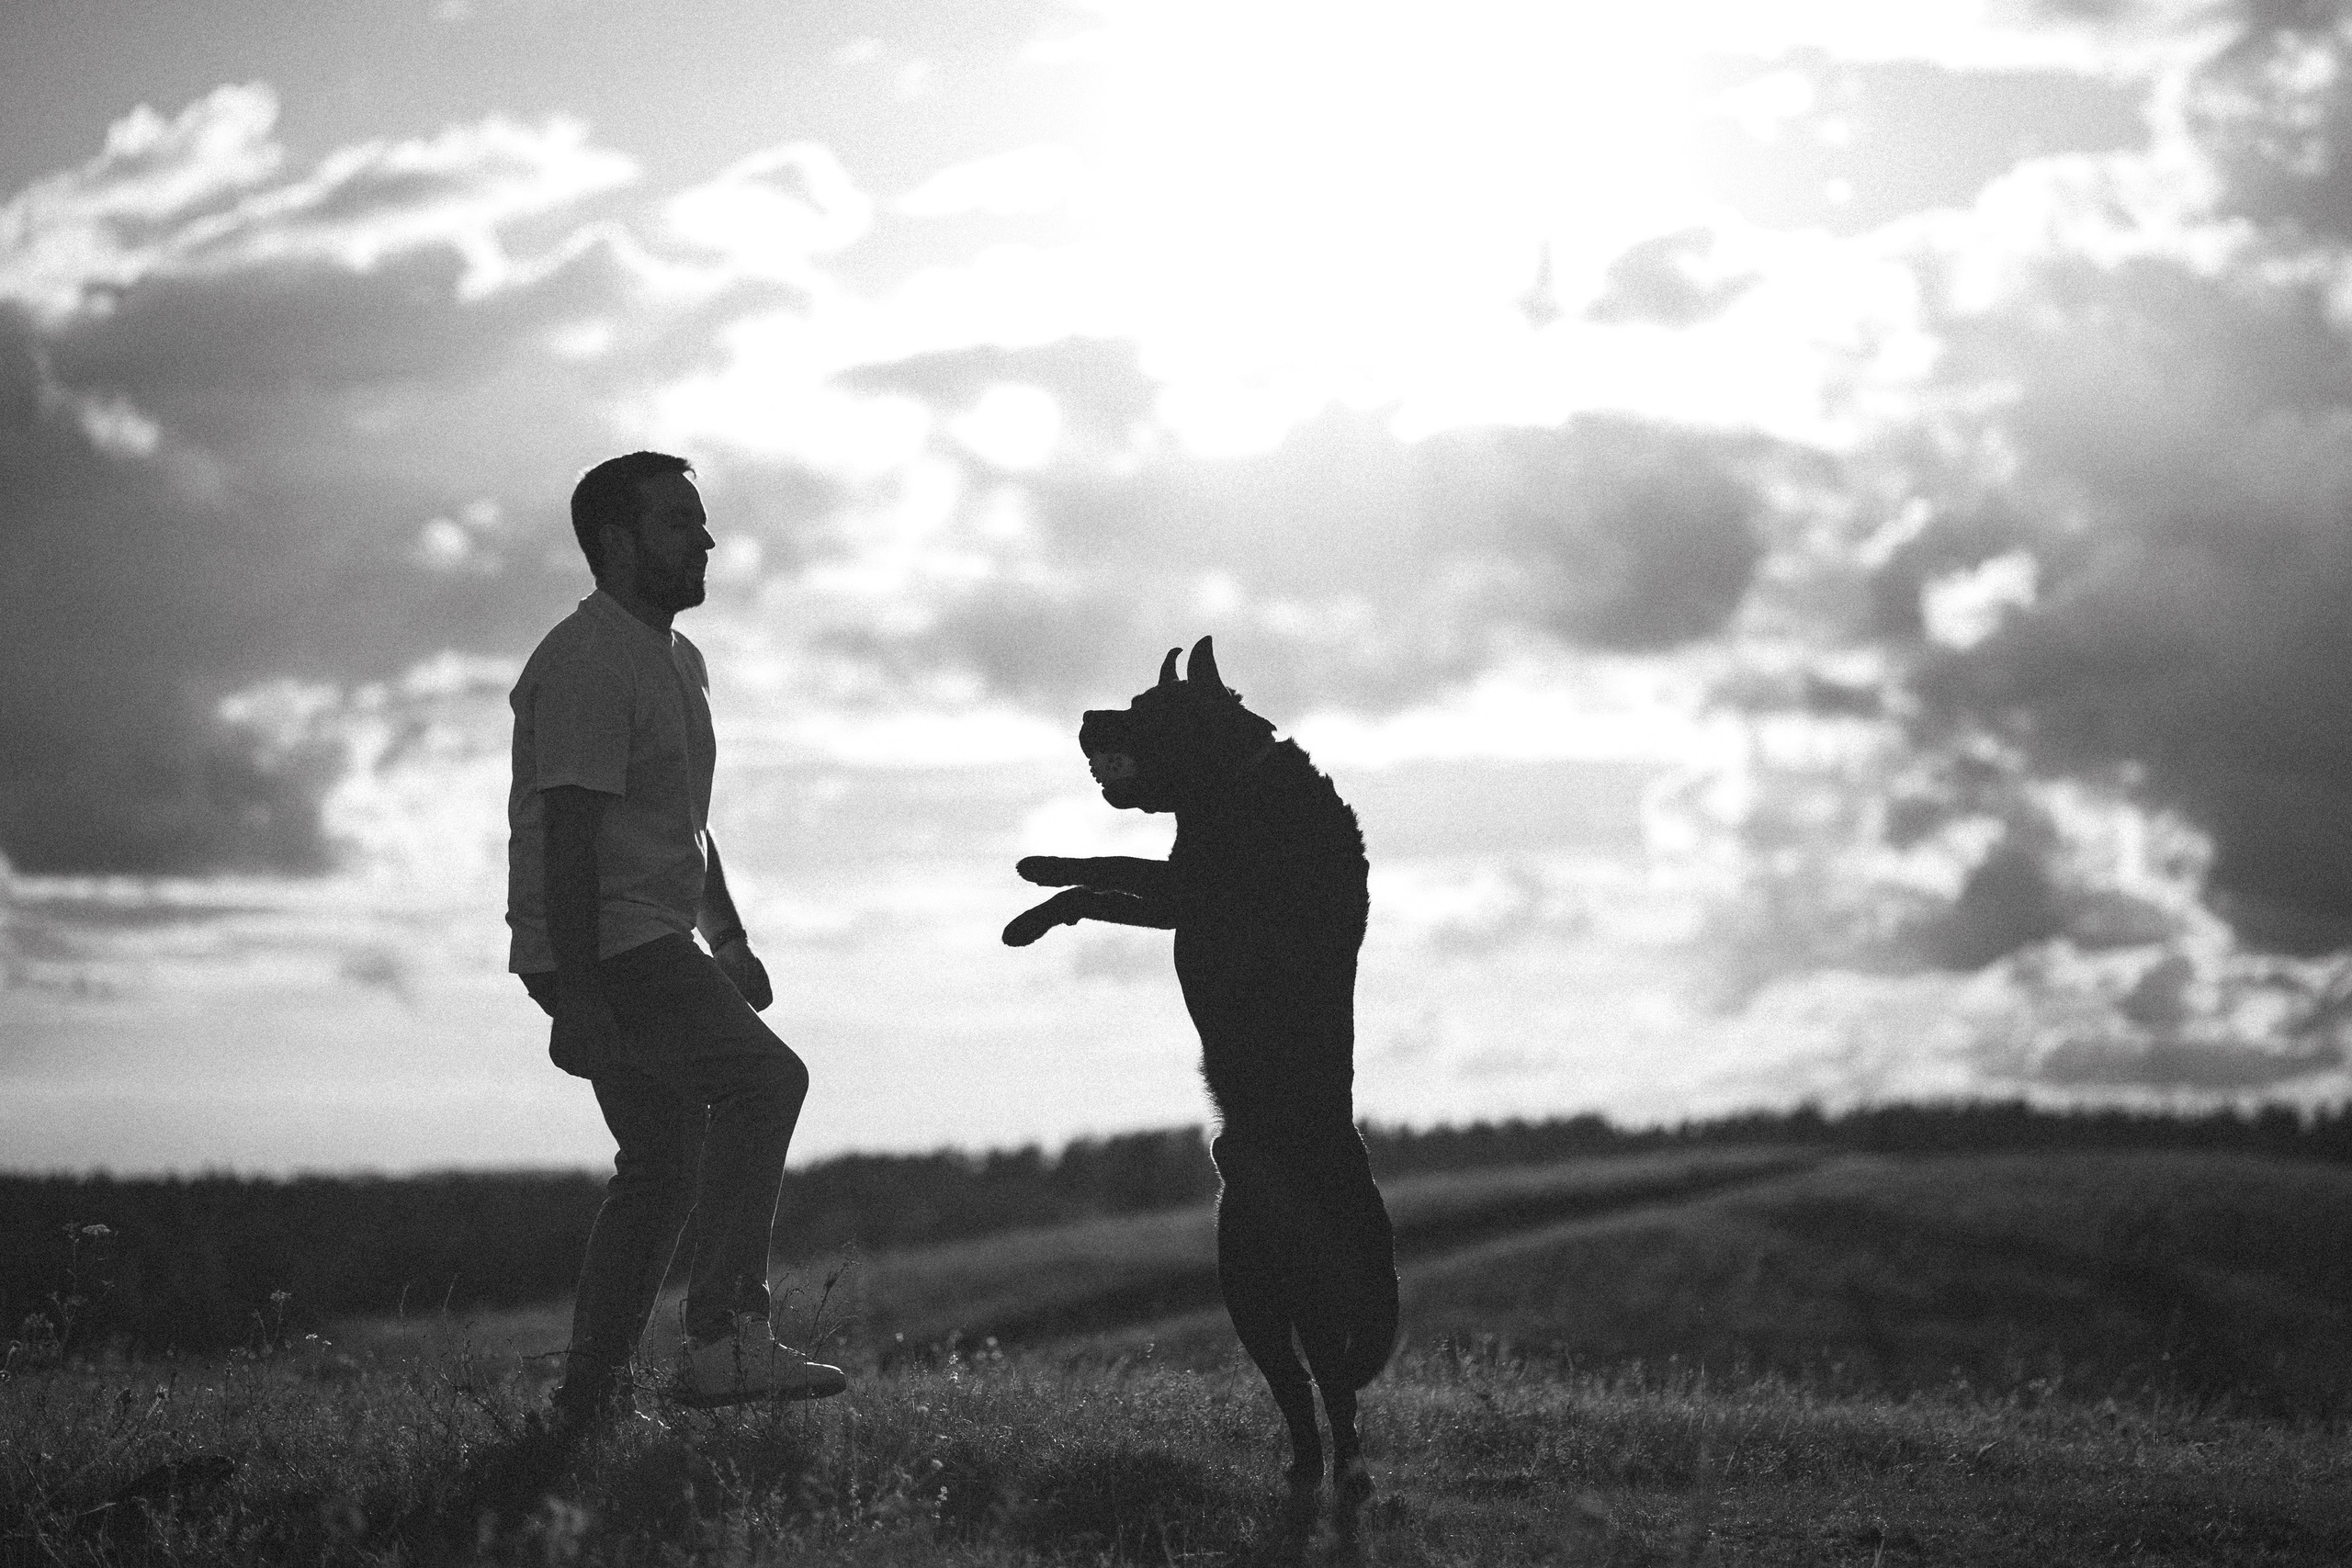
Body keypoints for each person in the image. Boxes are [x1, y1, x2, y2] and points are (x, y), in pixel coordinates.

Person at [506, 449, 845, 1427]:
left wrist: (728, 943)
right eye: (679, 523)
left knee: (661, 1166)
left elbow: (681, 822)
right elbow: (568, 833)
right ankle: (727, 1340)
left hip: (649, 936)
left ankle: (588, 1397)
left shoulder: (675, 660)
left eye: (700, 521)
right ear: (617, 542)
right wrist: (576, 994)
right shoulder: (582, 662)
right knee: (765, 1080)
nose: (706, 540)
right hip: (608, 945)